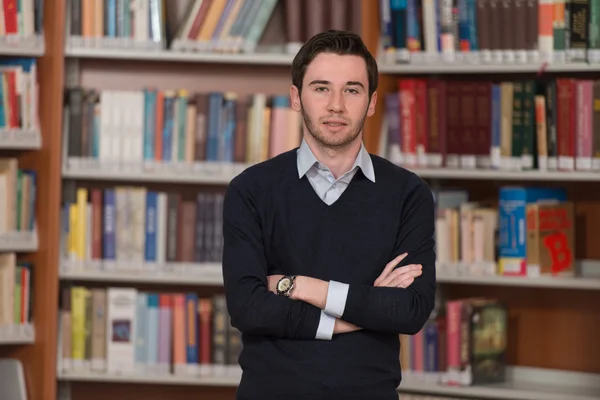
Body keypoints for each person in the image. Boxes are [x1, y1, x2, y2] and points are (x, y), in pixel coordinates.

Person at [222, 29, 436, 400]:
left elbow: (410, 310)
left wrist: (303, 287)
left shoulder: (408, 193)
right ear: (296, 97)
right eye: (321, 88)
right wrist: (364, 308)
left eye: (351, 90)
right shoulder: (250, 190)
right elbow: (249, 308)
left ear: (371, 102)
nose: (336, 104)